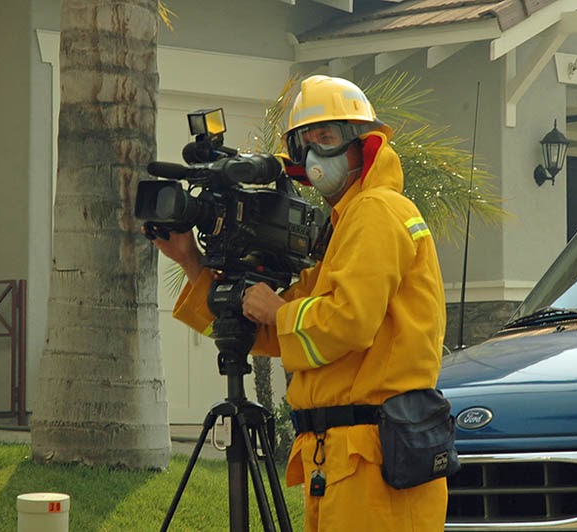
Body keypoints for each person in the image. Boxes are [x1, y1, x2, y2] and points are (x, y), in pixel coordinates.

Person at [151, 75, 448, 531]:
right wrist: (192, 262)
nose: (314, 156)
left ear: (361, 145)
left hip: (372, 463)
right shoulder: (346, 225)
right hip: (342, 461)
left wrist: (277, 310)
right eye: (303, 144)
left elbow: (348, 322)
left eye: (326, 138)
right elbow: (262, 331)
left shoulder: (377, 211)